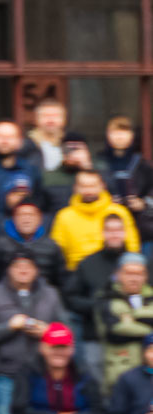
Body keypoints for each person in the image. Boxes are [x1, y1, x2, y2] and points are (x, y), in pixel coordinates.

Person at [0, 247, 65, 414]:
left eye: (28, 266)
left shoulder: (51, 294)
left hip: (42, 376)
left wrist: (48, 332)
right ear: (8, 269)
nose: (23, 270)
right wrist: (8, 326)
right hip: (7, 374)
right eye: (17, 266)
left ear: (37, 270)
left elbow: (66, 330)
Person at [65, 213, 129, 377]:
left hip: (131, 340)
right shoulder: (88, 264)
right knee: (96, 387)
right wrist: (97, 306)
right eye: (109, 230)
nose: (114, 234)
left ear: (125, 233)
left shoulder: (136, 265)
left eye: (118, 230)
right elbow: (71, 298)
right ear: (103, 233)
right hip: (95, 338)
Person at [52, 169, 141, 272]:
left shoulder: (119, 212)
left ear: (102, 186)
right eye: (83, 186)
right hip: (76, 272)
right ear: (75, 188)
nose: (89, 191)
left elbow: (132, 245)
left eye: (93, 186)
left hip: (115, 271)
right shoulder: (64, 216)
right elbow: (57, 250)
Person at [0, 193, 65, 290]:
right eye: (21, 215)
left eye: (31, 215)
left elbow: (60, 281)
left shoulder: (51, 247)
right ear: (13, 219)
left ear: (40, 219)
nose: (26, 220)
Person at [96, 252, 153, 391]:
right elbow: (114, 330)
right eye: (129, 273)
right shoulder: (107, 298)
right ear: (118, 274)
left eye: (139, 274)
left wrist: (131, 318)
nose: (134, 279)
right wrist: (149, 327)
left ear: (146, 276)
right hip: (120, 371)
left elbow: (124, 327)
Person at [98, 115, 153, 243]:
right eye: (115, 132)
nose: (119, 136)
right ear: (108, 135)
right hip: (105, 222)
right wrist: (106, 200)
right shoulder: (99, 163)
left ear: (132, 136)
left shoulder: (142, 164)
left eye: (124, 132)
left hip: (138, 224)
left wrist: (143, 203)